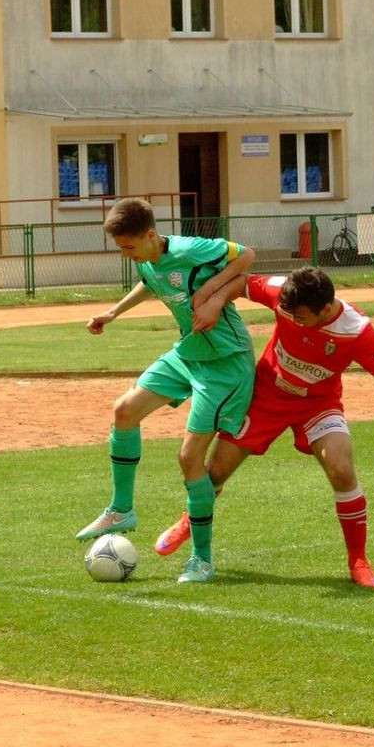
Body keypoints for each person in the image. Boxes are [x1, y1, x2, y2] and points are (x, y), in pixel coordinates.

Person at [155, 266, 374, 587]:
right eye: (288, 314)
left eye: (302, 317)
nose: (293, 321)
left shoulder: (356, 330)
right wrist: (215, 302)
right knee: (216, 472)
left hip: (317, 405)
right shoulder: (284, 291)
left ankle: (358, 560)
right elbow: (241, 283)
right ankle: (190, 519)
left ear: (325, 309)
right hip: (265, 396)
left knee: (341, 467)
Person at [76, 197, 257, 584]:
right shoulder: (146, 257)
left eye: (129, 247)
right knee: (124, 410)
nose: (126, 255)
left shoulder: (191, 248)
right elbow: (148, 280)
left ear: (151, 235)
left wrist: (211, 291)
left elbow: (246, 255)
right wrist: (113, 313)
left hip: (225, 363)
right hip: (189, 352)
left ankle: (203, 560)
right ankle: (121, 509)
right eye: (120, 248)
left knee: (189, 458)